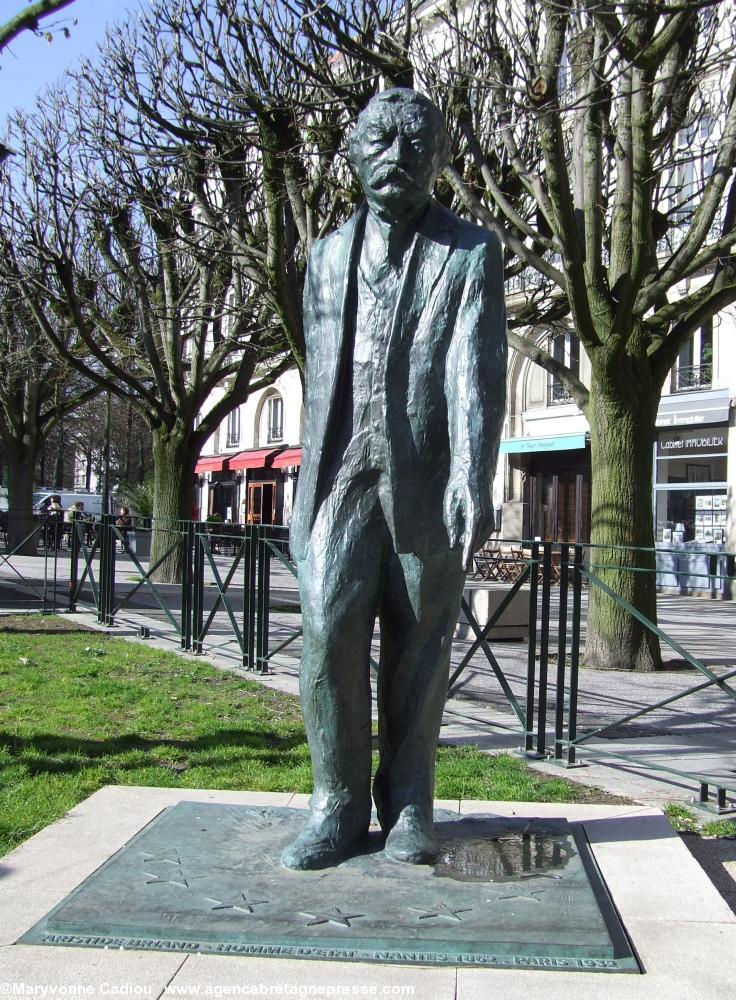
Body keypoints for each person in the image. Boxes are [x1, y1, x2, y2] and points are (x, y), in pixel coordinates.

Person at [283, 89, 506, 871]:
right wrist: (300, 491)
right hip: (341, 473)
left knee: (419, 649)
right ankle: (336, 804)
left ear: (440, 161)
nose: (396, 158)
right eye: (378, 142)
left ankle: (408, 802)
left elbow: (473, 370)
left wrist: (473, 475)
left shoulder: (470, 252)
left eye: (417, 146)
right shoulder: (327, 255)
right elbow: (318, 386)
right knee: (326, 634)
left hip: (426, 476)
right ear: (350, 156)